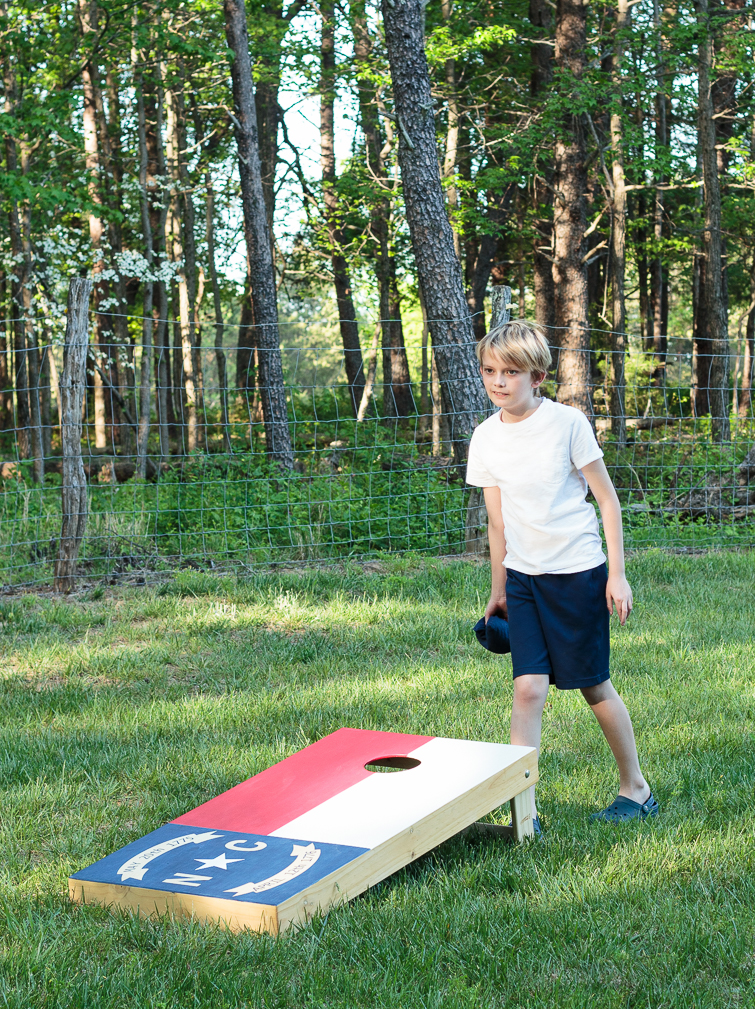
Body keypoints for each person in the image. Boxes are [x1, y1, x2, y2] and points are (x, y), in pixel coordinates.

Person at [466, 320, 658, 832]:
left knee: (594, 686)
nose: (499, 382)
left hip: (577, 574)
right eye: (490, 371)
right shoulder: (484, 438)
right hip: (525, 580)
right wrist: (499, 590)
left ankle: (636, 788)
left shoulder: (567, 424)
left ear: (538, 375)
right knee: (528, 690)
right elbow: (497, 520)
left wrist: (617, 576)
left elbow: (607, 501)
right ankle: (522, 809)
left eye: (511, 371)